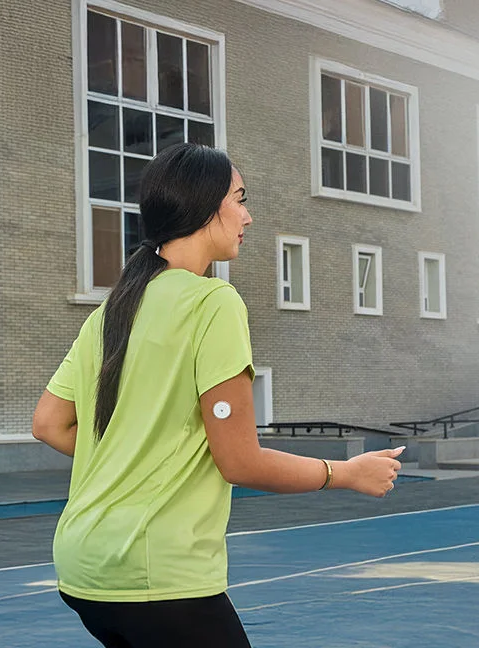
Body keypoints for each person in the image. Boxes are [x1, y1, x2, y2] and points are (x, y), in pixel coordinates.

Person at [31, 142, 405, 647]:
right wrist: (346, 473)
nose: (248, 217)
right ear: (205, 206)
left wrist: (139, 454)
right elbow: (239, 461)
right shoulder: (214, 303)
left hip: (83, 567)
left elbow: (49, 425)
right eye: (240, 199)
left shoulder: (111, 310)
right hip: (158, 572)